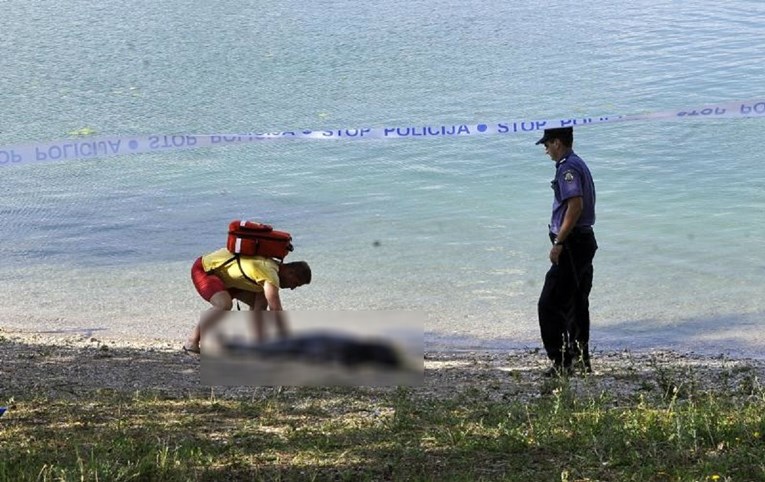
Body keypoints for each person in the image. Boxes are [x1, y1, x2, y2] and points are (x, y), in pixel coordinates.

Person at [535, 127, 598, 377]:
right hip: (583, 242)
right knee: (576, 303)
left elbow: (575, 206)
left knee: (549, 304)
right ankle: (581, 361)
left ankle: (561, 362)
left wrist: (559, 242)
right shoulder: (577, 163)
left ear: (557, 143)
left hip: (572, 244)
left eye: (547, 145)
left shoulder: (567, 168)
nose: (546, 150)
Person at [184, 247, 312, 354]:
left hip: (228, 279)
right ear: (290, 272)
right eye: (295, 283)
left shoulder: (270, 269)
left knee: (260, 304)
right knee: (223, 304)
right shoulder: (269, 273)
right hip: (205, 269)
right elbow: (276, 310)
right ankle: (192, 342)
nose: (292, 288)